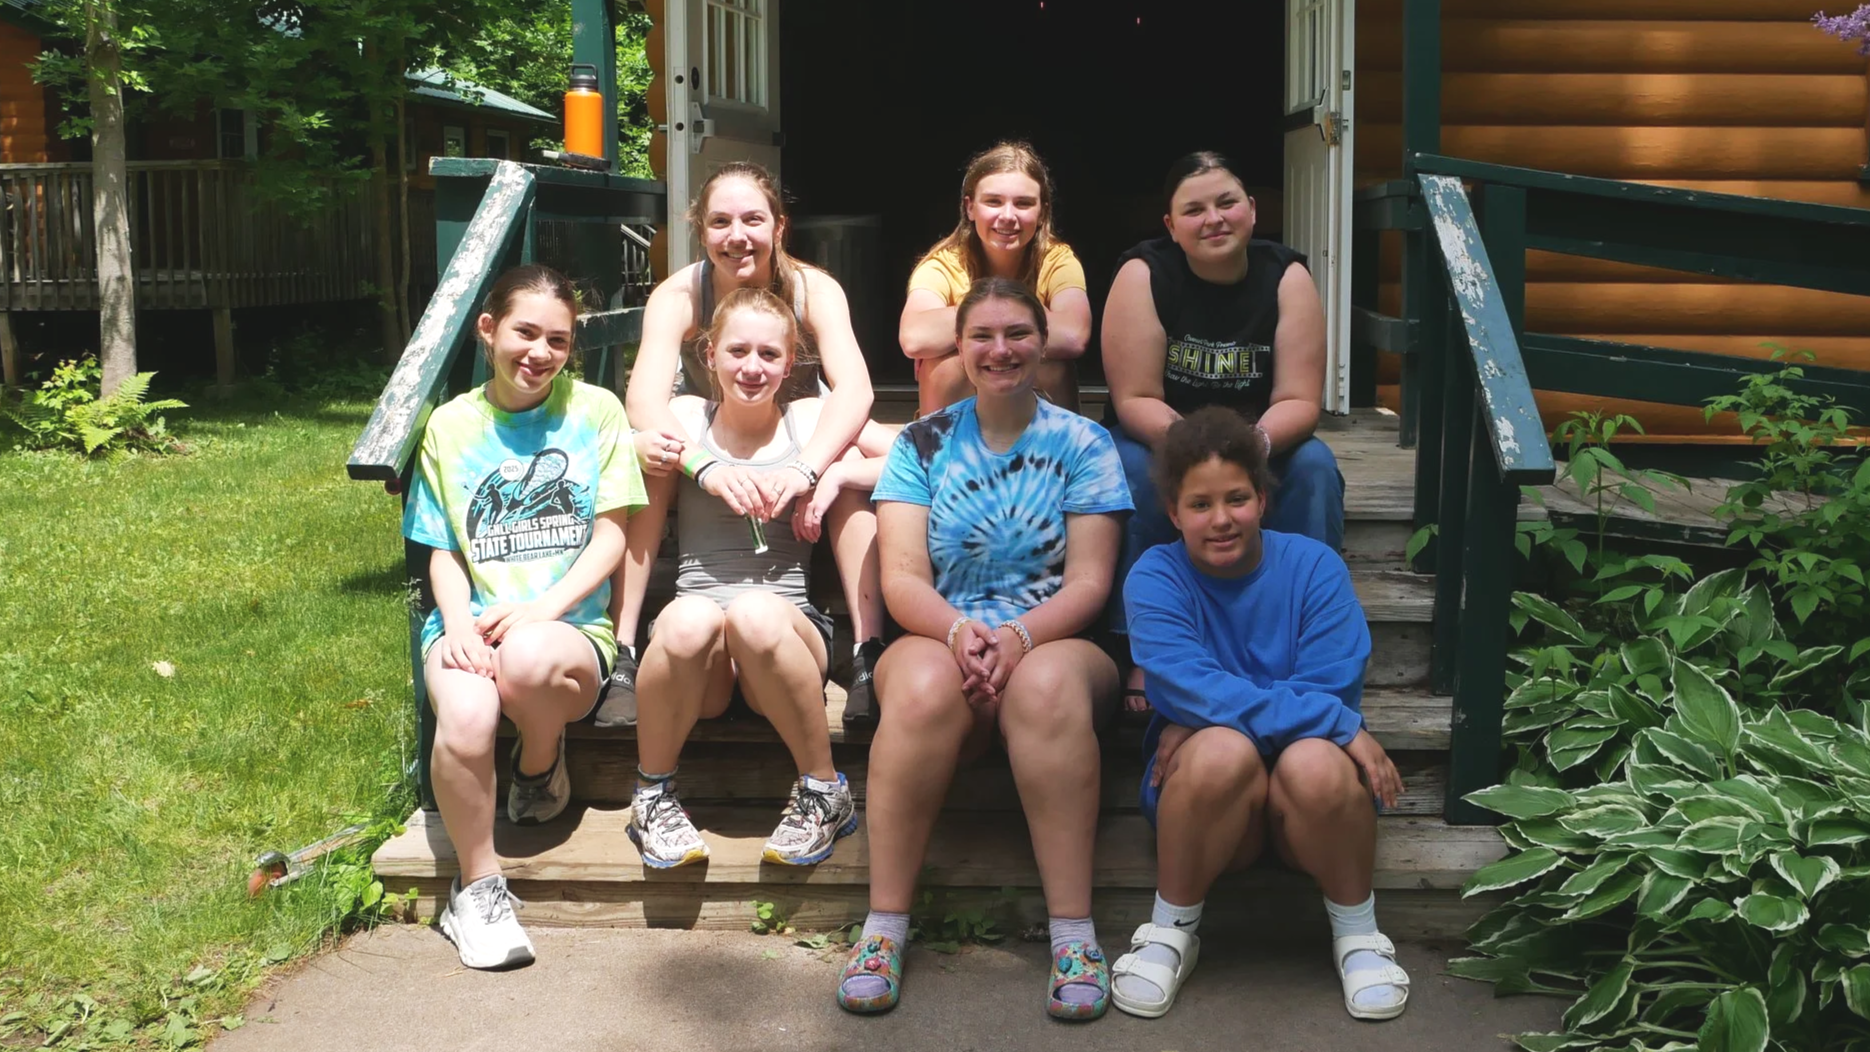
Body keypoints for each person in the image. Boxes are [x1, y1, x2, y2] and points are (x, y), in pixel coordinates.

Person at [838, 278, 1132, 1020]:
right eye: (982, 336)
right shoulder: (922, 442)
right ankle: (884, 928)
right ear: (960, 349)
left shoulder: (1084, 443)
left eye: (1017, 334)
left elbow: (1093, 580)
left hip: (1057, 637)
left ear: (1042, 342)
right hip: (944, 630)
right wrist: (959, 632)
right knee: (919, 689)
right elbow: (901, 575)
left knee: (1045, 688)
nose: (1000, 350)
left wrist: (1019, 637)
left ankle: (1073, 935)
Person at [1113, 406, 1407, 1022]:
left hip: (1312, 808)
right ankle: (1171, 932)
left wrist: (1207, 710)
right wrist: (1340, 726)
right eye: (1199, 504)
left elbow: (1331, 681)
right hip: (1215, 806)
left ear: (1263, 500)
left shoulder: (1314, 567)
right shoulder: (1155, 577)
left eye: (1237, 498)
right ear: (1172, 513)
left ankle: (1358, 936)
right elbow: (1182, 682)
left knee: (1311, 762)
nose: (1221, 520)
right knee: (1226, 749)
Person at [402, 264, 648, 969]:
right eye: (525, 333)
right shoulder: (450, 427)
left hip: (566, 629)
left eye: (558, 340)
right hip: (468, 622)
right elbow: (441, 548)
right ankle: (476, 889)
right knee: (470, 715)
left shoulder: (595, 410)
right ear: (488, 330)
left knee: (529, 657)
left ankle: (539, 769)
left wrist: (541, 610)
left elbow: (612, 535)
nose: (539, 352)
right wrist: (453, 624)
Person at [609, 162, 887, 727]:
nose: (737, 236)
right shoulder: (680, 294)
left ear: (779, 227)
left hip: (802, 433)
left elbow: (855, 390)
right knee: (653, 451)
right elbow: (643, 400)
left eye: (753, 220)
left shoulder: (813, 289)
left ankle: (867, 652)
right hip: (712, 433)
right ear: (702, 230)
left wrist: (811, 470)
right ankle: (624, 649)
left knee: (855, 455)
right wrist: (703, 466)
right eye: (720, 222)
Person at [628, 287, 894, 867]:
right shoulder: (685, 418)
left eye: (770, 355)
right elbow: (612, 448)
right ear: (709, 355)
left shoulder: (810, 420)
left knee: (751, 612)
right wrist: (657, 452)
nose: (753, 367)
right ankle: (652, 795)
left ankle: (825, 792)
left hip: (786, 631)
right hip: (704, 659)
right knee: (689, 619)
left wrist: (836, 472)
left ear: (791, 359)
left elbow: (920, 451)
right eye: (738, 351)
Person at [1102, 151, 1347, 711]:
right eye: (1194, 210)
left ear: (1253, 211)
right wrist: (1198, 452)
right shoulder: (1143, 273)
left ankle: (1307, 632)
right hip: (1163, 439)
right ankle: (1137, 646)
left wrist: (1248, 449)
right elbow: (1135, 398)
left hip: (1260, 442)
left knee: (1313, 469)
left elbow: (1299, 400)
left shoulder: (1287, 276)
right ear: (1171, 226)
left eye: (1227, 202)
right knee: (1131, 470)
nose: (1213, 218)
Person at [900, 141, 1092, 417]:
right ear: (970, 208)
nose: (1007, 216)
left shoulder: (1057, 259)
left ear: (1042, 213)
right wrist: (1020, 327)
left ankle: (1061, 455)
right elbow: (914, 337)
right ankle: (939, 454)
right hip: (958, 420)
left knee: (1053, 366)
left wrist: (975, 330)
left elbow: (1074, 335)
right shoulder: (943, 263)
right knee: (945, 366)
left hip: (1034, 423)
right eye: (993, 202)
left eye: (1023, 204)